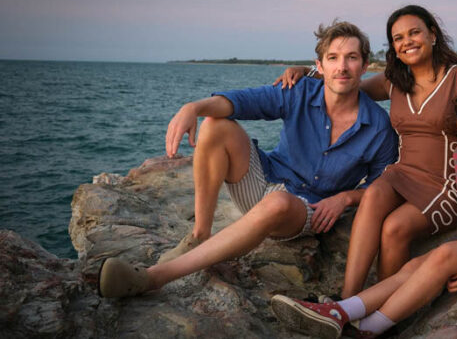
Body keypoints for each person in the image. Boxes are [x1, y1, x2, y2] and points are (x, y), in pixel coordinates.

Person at [97, 20, 398, 298]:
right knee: (215, 123)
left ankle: (152, 278)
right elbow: (244, 101)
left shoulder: (378, 127)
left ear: (365, 66)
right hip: (263, 180)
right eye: (333, 58)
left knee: (278, 203)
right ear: (319, 65)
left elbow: (381, 190)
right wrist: (194, 106)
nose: (342, 67)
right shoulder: (299, 91)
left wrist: (344, 198)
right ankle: (200, 234)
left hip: (305, 210)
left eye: (352, 58)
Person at [275, 5, 457, 298]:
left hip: (448, 183)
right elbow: (345, 83)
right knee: (372, 194)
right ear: (393, 48)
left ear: (432, 35)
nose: (406, 41)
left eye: (414, 33)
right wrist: (306, 73)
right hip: (402, 174)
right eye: (398, 38)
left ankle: (382, 312)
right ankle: (347, 301)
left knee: (395, 227)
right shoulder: (393, 81)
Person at [271, 79, 457, 339]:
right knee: (413, 267)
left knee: (443, 256)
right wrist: (305, 75)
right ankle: (342, 311)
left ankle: (368, 329)